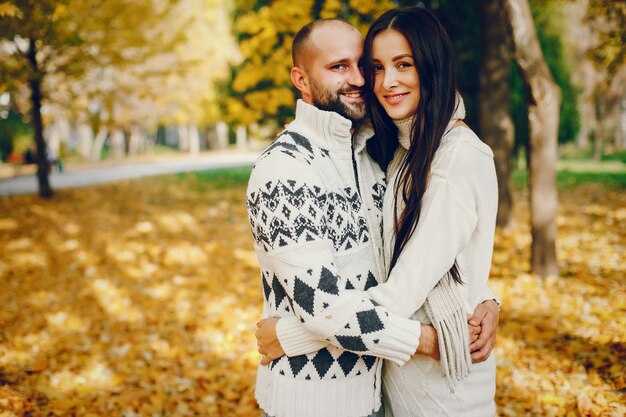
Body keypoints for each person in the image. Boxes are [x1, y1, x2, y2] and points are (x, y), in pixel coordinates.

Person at [247, 17, 498, 417]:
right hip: (315, 402)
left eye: (363, 65)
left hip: (402, 389)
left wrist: (291, 336)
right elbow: (326, 306)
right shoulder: (290, 169)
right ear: (301, 79)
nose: (366, 80)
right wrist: (428, 339)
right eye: (338, 67)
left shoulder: (380, 156)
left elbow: (406, 274)